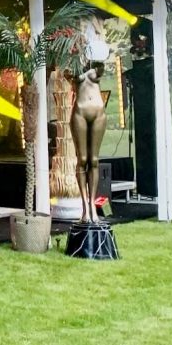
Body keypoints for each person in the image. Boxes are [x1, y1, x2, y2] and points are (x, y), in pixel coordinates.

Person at [68, 51, 109, 223]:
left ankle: (92, 204)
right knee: (82, 159)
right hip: (80, 113)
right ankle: (85, 206)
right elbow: (69, 74)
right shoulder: (72, 64)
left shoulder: (95, 65)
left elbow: (101, 68)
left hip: (98, 112)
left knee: (94, 160)